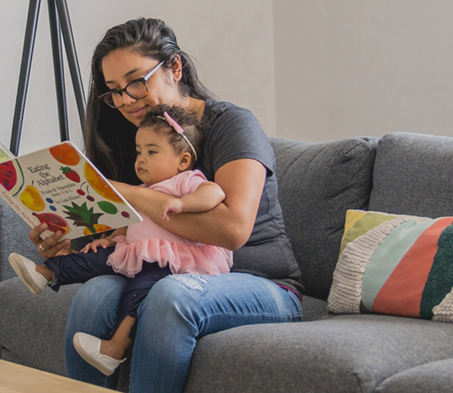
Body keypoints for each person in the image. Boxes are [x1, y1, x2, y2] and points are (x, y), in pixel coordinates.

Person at [27, 17, 303, 393]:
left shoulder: (232, 126)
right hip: (159, 267)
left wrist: (131, 193)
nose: (126, 100)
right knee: (93, 297)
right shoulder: (135, 139)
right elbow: (120, 234)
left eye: (136, 82)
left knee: (169, 296)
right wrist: (65, 239)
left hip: (262, 283)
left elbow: (233, 229)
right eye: (115, 91)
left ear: (175, 67)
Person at [8, 105, 233, 376]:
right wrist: (112, 239)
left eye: (152, 152)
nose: (141, 159)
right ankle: (45, 272)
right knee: (93, 258)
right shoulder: (140, 191)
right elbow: (130, 225)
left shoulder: (185, 181)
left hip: (172, 261)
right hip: (137, 252)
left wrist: (182, 203)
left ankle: (115, 347)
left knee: (139, 292)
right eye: (139, 152)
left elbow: (215, 193)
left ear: (183, 160)